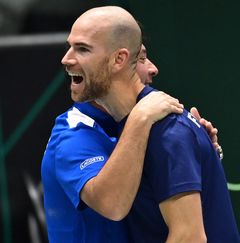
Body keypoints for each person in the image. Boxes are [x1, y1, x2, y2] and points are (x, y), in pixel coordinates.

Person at [56, 5, 239, 242]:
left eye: (82, 49)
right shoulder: (132, 125)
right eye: (70, 46)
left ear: (119, 59)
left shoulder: (168, 131)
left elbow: (190, 237)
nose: (66, 59)